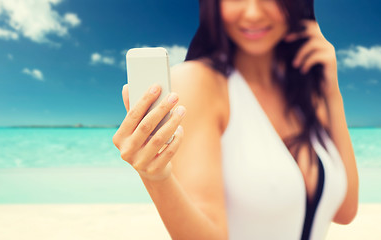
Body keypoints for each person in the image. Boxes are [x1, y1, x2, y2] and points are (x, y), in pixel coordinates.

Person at [112, 0, 359, 239]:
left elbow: (344, 210)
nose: (252, 13)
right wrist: (157, 177)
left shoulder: (302, 90)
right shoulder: (197, 83)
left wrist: (331, 92)